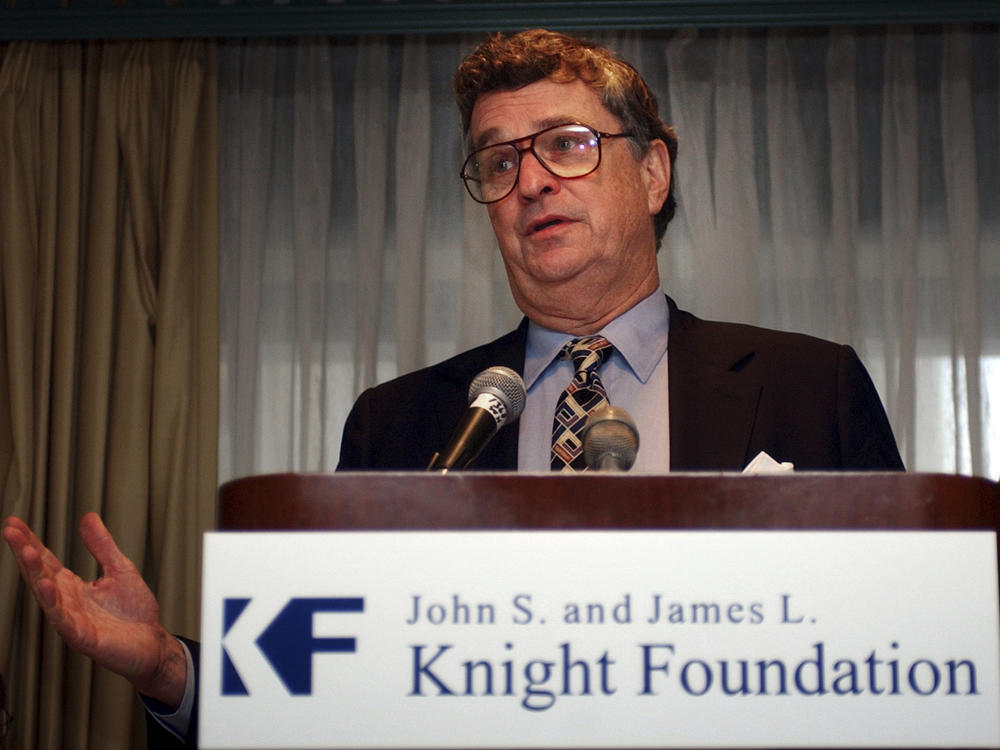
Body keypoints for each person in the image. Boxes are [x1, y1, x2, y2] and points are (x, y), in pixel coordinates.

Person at [3, 28, 903, 750]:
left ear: (654, 170)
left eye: (568, 144)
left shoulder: (808, 385)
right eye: (499, 161)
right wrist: (168, 668)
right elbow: (335, 689)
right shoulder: (402, 425)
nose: (533, 181)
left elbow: (901, 655)